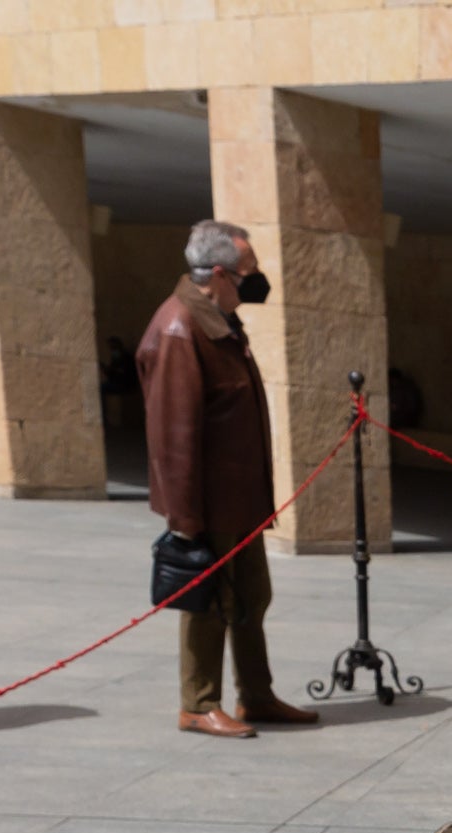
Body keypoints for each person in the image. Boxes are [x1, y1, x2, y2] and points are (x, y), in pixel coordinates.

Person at [137, 218, 316, 738]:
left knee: (251, 598)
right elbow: (173, 438)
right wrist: (185, 521)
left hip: (239, 502)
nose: (255, 281)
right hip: (208, 504)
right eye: (248, 272)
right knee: (207, 604)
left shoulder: (217, 322)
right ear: (217, 274)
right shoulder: (179, 329)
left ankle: (256, 696)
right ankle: (198, 702)